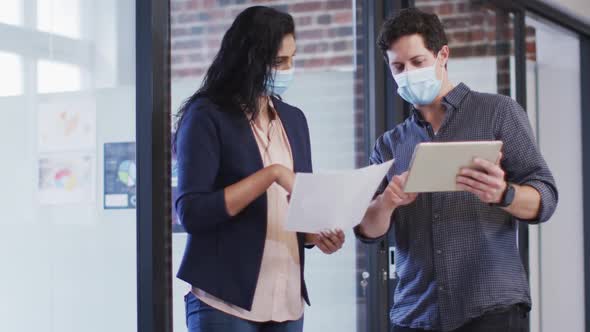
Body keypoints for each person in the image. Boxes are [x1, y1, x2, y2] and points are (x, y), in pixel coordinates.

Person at [355, 8, 558, 332]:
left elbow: (546, 198)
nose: (408, 73)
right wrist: (387, 202)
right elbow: (366, 228)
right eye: (398, 67)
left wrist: (503, 193)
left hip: (490, 307)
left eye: (417, 62)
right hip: (415, 315)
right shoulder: (390, 144)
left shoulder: (498, 113)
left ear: (442, 55)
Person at [174, 6, 345, 332]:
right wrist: (272, 174)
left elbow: (300, 201)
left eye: (292, 59)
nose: (288, 69)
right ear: (248, 59)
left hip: (287, 299)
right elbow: (192, 212)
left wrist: (317, 236)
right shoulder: (206, 115)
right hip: (225, 301)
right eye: (279, 62)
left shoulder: (293, 119)